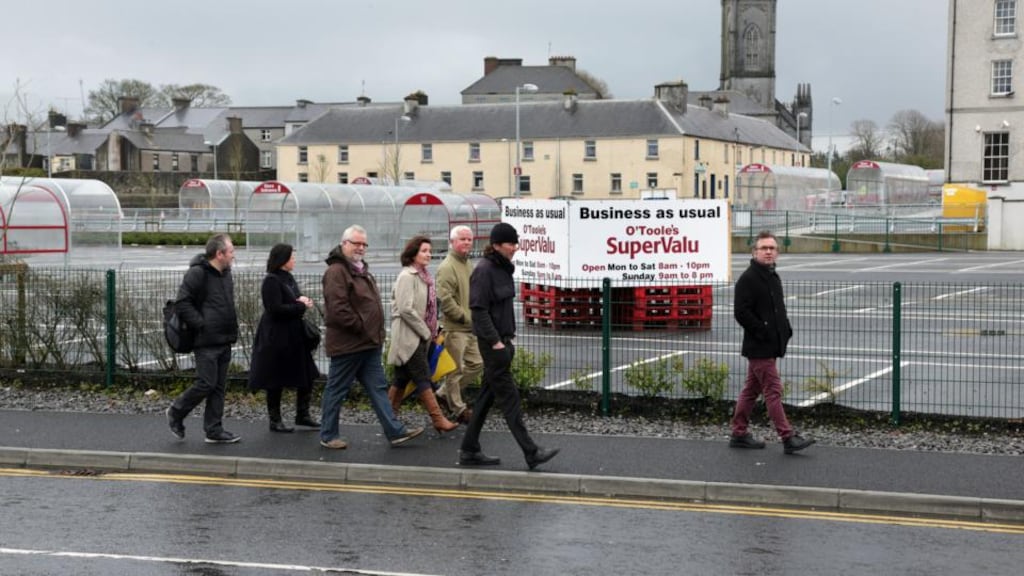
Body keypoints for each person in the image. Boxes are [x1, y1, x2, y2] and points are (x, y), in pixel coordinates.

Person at [458, 222, 559, 470]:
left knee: (485, 398)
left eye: (516, 243)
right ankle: (531, 452)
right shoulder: (484, 271)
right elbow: (479, 311)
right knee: (510, 399)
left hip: (503, 344)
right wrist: (495, 343)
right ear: (496, 245)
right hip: (495, 347)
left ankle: (469, 450)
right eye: (510, 243)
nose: (515, 248)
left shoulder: (502, 269)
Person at [319, 225, 424, 449]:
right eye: (356, 243)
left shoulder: (359, 269)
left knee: (378, 389)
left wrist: (372, 333)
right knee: (336, 390)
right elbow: (338, 310)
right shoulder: (337, 271)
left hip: (368, 344)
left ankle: (395, 432)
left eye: (364, 244)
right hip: (349, 345)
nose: (361, 248)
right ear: (344, 243)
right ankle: (328, 435)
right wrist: (363, 328)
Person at [729, 230, 814, 454]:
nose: (768, 252)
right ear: (754, 252)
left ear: (777, 252)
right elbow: (741, 312)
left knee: (750, 390)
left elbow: (777, 309)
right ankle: (788, 437)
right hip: (759, 346)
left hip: (771, 344)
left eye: (772, 248)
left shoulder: (772, 275)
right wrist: (764, 331)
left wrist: (785, 330)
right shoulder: (748, 279)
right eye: (763, 248)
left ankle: (738, 433)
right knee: (773, 390)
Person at [166, 233, 241, 444]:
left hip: (224, 338)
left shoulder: (225, 274)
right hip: (206, 340)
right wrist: (201, 324)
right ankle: (176, 411)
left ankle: (214, 430)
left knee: (218, 386)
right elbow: (182, 303)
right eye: (231, 251)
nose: (233, 255)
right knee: (206, 383)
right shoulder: (197, 274)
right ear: (219, 254)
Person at [386, 235, 459, 433]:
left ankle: (388, 419)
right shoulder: (407, 276)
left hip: (419, 337)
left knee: (401, 379)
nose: (429, 254)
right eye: (424, 251)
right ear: (413, 254)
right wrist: (426, 331)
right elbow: (405, 309)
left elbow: (429, 308)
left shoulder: (424, 277)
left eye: (429, 251)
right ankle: (438, 419)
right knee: (423, 377)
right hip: (410, 337)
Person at [248, 243, 321, 433]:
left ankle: (302, 415)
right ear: (282, 260)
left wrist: (302, 301)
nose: (294, 260)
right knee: (276, 378)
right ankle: (275, 419)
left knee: (307, 374)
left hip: (294, 336)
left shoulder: (288, 278)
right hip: (277, 337)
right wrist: (300, 306)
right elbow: (274, 309)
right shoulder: (271, 280)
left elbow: (292, 301)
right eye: (291, 257)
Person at [435, 225, 483, 424]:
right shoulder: (447, 267)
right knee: (454, 371)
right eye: (462, 239)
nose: (466, 242)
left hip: (469, 326)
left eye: (469, 239)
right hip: (455, 328)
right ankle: (458, 408)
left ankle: (444, 393)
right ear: (452, 242)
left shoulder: (467, 263)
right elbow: (445, 299)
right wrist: (464, 317)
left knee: (478, 363)